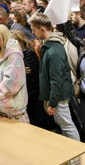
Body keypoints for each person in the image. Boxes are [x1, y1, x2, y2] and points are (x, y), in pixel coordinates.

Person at [29, 13, 80, 141]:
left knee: (67, 126)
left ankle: (77, 156)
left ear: (42, 29)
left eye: (33, 29)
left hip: (59, 96)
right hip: (58, 95)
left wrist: (52, 103)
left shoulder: (54, 49)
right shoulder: (49, 46)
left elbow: (56, 79)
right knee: (64, 125)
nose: (32, 33)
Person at [0, 25, 29, 122]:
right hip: (1, 110)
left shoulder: (14, 55)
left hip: (16, 114)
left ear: (4, 37)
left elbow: (11, 83)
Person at [10, 30, 48, 128]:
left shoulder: (29, 53)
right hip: (23, 92)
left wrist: (16, 71)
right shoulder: (13, 55)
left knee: (36, 120)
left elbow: (27, 73)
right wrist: (19, 70)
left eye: (14, 41)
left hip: (33, 92)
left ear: (21, 41)